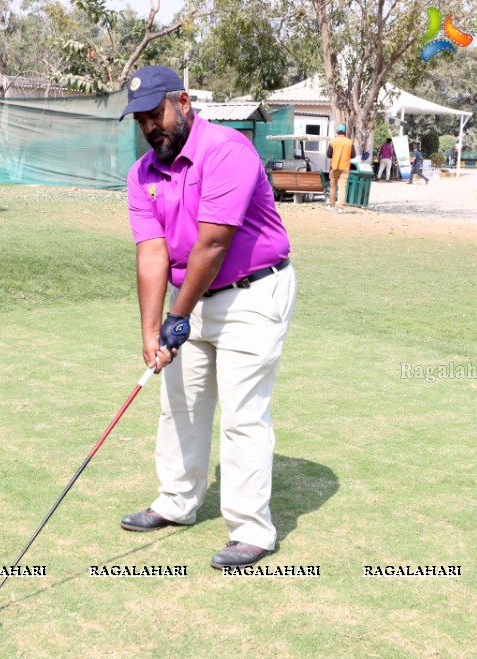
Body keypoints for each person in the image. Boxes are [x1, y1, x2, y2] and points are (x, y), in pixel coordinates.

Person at [118, 65, 297, 569]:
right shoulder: (141, 175)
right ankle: (176, 502)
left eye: (157, 114)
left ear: (184, 101)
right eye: (141, 121)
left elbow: (213, 243)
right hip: (191, 298)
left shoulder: (227, 150)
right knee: (181, 405)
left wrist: (178, 316)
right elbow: (152, 254)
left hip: (253, 293)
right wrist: (153, 331)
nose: (151, 127)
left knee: (242, 415)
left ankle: (251, 530)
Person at [327, 123, 354, 213]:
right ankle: (340, 208)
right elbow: (353, 155)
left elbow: (328, 154)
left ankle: (331, 206)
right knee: (342, 187)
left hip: (334, 167)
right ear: (345, 132)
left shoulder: (333, 142)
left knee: (333, 187)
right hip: (345, 167)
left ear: (337, 132)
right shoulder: (349, 142)